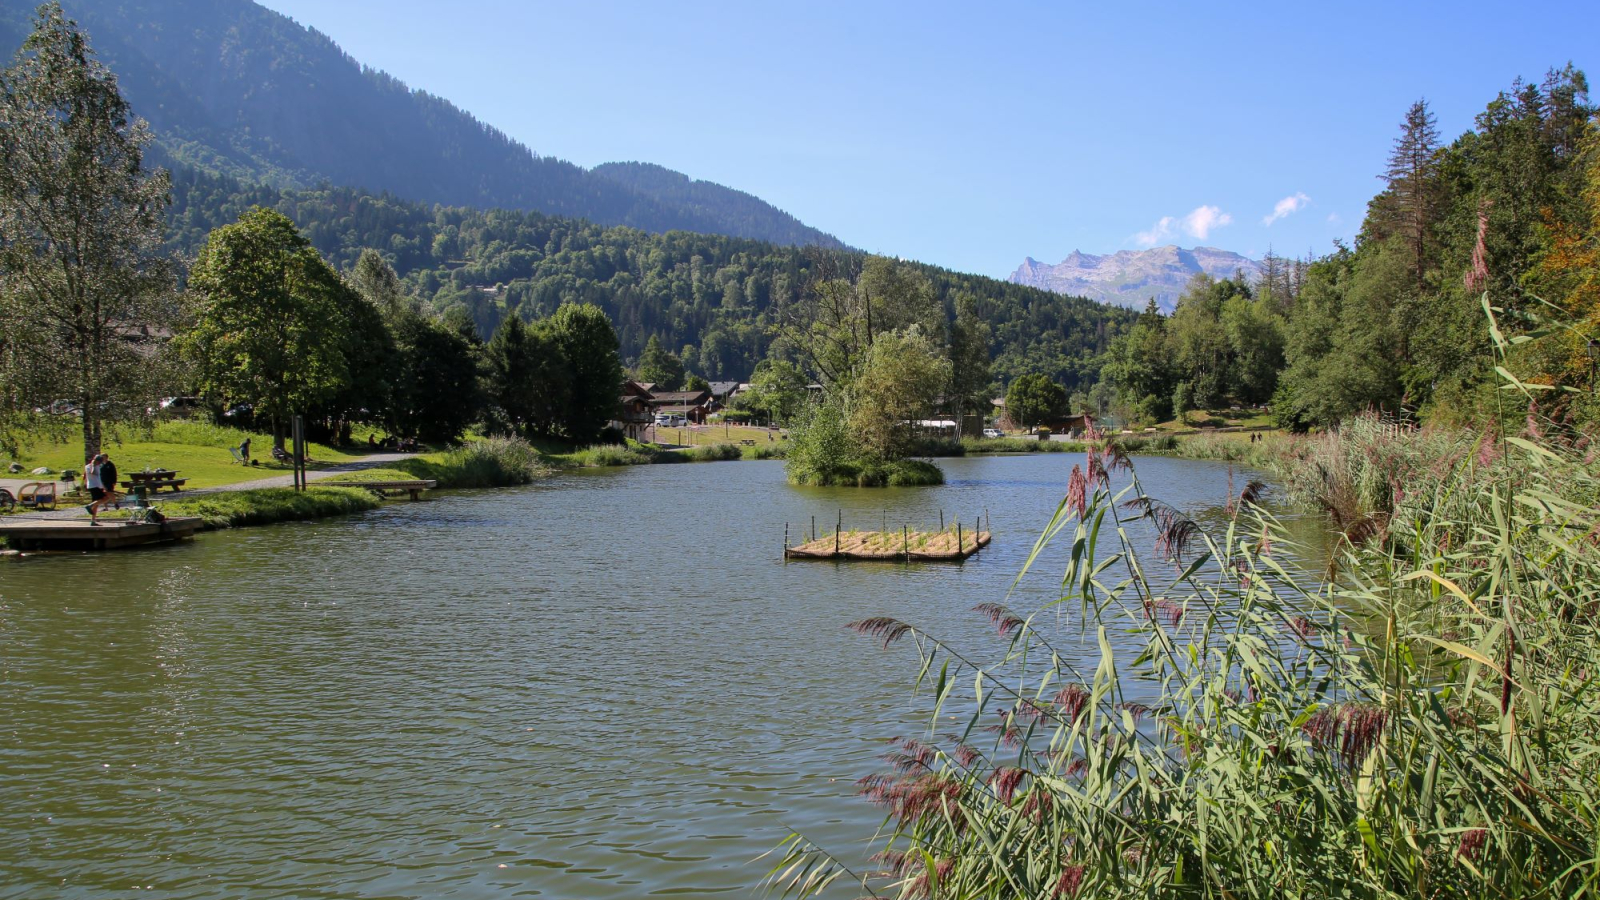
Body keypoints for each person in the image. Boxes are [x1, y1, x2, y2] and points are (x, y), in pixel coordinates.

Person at [83, 454, 105, 525]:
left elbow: (99, 477)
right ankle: (89, 506)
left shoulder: (98, 466)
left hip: (98, 486)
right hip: (93, 486)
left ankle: (93, 521)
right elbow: (93, 472)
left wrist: (103, 486)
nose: (99, 463)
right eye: (99, 462)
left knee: (96, 504)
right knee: (105, 498)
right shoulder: (88, 467)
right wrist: (93, 465)